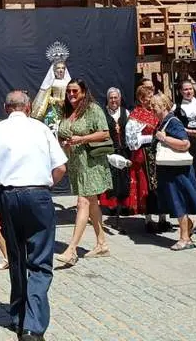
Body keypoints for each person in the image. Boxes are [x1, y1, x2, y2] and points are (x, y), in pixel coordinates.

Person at [0, 90, 68, 341]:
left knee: (16, 257)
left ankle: (18, 316)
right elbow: (61, 167)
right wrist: (46, 185)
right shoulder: (41, 129)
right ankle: (32, 326)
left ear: (6, 108)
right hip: (37, 194)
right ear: (28, 108)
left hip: (7, 195)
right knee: (40, 261)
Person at [55, 79, 112, 265]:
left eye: (75, 91)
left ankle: (71, 250)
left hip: (91, 163)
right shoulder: (66, 111)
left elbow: (105, 133)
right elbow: (63, 133)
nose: (71, 94)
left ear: (83, 92)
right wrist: (64, 142)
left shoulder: (93, 109)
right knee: (92, 203)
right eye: (69, 91)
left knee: (83, 202)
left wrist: (82, 139)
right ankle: (102, 244)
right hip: (76, 163)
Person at [153, 92, 196, 251]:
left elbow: (185, 143)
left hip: (177, 172)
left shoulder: (173, 122)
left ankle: (185, 239)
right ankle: (188, 226)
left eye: (154, 105)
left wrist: (164, 138)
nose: (152, 108)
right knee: (175, 202)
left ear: (163, 106)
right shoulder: (163, 122)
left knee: (179, 203)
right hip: (169, 171)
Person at [126, 83, 166, 231]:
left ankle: (163, 218)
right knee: (146, 186)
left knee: (161, 184)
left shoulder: (157, 112)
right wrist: (153, 137)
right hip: (145, 155)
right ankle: (148, 219)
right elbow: (132, 140)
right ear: (141, 99)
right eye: (148, 97)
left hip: (159, 153)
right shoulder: (136, 115)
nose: (151, 100)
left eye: (151, 96)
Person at [98, 87, 134, 217]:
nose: (113, 100)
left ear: (120, 98)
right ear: (107, 99)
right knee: (111, 178)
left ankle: (124, 205)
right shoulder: (102, 114)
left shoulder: (126, 112)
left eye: (115, 97)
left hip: (124, 150)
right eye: (111, 98)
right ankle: (112, 205)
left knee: (124, 178)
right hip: (109, 150)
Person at [32, 48, 71, 132]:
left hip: (67, 107)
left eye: (63, 68)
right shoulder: (51, 82)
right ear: (54, 70)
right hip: (54, 108)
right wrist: (55, 100)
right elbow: (45, 97)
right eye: (58, 68)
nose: (61, 70)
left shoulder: (68, 82)